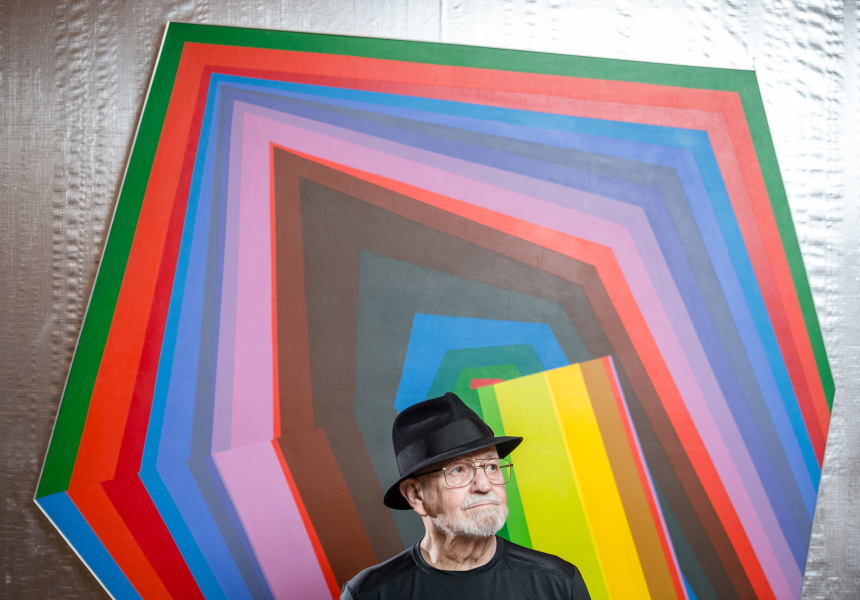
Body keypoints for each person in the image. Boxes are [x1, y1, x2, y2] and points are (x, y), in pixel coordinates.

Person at [341, 392, 591, 599]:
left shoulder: (559, 584)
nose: (484, 484)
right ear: (416, 495)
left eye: (491, 466)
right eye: (458, 470)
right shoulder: (368, 594)